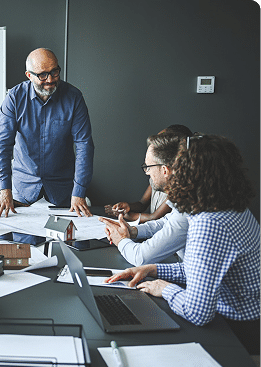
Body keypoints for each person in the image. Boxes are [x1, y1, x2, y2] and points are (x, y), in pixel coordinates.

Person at [106, 135, 260, 354]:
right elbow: (202, 272)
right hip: (244, 319)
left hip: (235, 331)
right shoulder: (231, 208)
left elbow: (198, 312)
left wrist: (165, 288)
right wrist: (154, 269)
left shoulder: (207, 223)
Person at [0, 48, 94, 218]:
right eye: (42, 75)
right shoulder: (14, 99)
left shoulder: (74, 97)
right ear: (29, 75)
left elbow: (84, 146)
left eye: (55, 72)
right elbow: (3, 146)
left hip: (63, 191)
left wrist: (79, 192)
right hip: (23, 190)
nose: (50, 80)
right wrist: (5, 189)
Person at [99, 132, 189, 265]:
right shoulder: (184, 196)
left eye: (149, 167)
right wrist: (133, 231)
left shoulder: (189, 208)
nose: (147, 172)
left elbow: (141, 257)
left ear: (165, 170)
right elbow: (166, 222)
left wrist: (121, 240)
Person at [104, 124, 193, 223]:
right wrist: (128, 206)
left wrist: (129, 216)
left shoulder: (177, 187)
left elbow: (155, 218)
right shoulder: (156, 178)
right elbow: (142, 203)